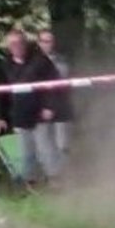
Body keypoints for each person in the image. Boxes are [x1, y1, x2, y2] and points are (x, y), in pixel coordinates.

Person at [0, 29, 62, 185]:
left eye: (20, 43)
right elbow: (2, 94)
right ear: (8, 47)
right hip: (20, 116)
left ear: (25, 44)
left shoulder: (41, 61)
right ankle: (31, 183)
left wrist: (50, 107)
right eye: (13, 44)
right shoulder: (5, 66)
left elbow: (55, 85)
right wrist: (0, 117)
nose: (17, 46)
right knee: (26, 152)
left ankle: (55, 180)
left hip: (40, 114)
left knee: (46, 149)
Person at [37, 29, 73, 162]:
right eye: (44, 41)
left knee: (62, 145)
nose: (48, 44)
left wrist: (51, 106)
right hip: (39, 110)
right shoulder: (32, 62)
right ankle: (50, 172)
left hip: (61, 109)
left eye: (50, 41)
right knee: (44, 146)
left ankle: (67, 170)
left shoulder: (62, 61)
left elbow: (61, 85)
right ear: (39, 43)